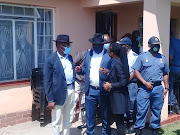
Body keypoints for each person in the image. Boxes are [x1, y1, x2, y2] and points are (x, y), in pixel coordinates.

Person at [75, 33, 113, 135]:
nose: (95, 46)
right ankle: (90, 133)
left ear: (102, 45)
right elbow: (85, 69)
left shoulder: (109, 56)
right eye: (94, 44)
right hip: (90, 90)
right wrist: (79, 70)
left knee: (105, 116)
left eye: (98, 45)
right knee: (90, 116)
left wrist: (108, 72)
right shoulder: (89, 54)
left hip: (103, 90)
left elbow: (114, 72)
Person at [132, 36, 169, 135]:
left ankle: (155, 130)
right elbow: (136, 71)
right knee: (141, 111)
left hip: (158, 88)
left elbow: (165, 73)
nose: (156, 47)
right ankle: (139, 130)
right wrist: (145, 82)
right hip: (144, 88)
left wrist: (166, 87)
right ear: (149, 45)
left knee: (157, 110)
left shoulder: (162, 58)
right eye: (154, 45)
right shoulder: (142, 56)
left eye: (157, 45)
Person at [43, 34, 75, 135]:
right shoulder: (50, 60)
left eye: (68, 45)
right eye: (64, 45)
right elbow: (47, 81)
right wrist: (50, 99)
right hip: (57, 94)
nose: (67, 47)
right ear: (57, 45)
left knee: (68, 117)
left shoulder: (69, 57)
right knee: (56, 120)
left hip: (70, 90)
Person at [103, 42, 130, 135]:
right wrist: (108, 72)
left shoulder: (118, 63)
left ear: (113, 53)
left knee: (120, 124)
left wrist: (110, 85)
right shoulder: (117, 61)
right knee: (119, 122)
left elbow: (123, 82)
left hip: (118, 97)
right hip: (117, 97)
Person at [117, 37, 138, 134]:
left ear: (127, 46)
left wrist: (126, 80)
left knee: (132, 104)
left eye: (122, 45)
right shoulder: (120, 55)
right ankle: (125, 123)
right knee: (123, 104)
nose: (120, 47)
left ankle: (132, 123)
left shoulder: (134, 57)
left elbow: (135, 71)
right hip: (122, 84)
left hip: (131, 84)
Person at [73, 50, 87, 129]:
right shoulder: (81, 54)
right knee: (74, 99)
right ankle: (70, 118)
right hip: (77, 81)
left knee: (83, 102)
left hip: (85, 83)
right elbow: (73, 64)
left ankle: (83, 120)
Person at [169, 31, 180, 114]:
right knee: (177, 87)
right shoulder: (178, 41)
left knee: (171, 87)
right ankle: (177, 105)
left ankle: (172, 106)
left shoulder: (171, 42)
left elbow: (170, 56)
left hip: (173, 67)